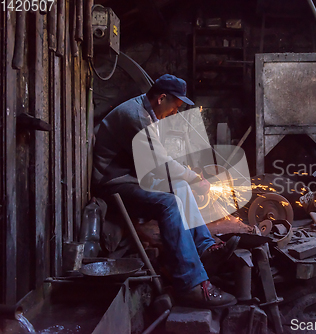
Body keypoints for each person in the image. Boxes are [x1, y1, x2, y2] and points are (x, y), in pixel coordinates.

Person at [92, 74, 239, 309]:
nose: (174, 113)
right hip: (115, 183)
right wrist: (193, 177)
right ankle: (191, 285)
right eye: (175, 107)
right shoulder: (136, 117)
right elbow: (160, 163)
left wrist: (186, 177)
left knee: (179, 186)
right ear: (161, 98)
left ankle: (204, 248)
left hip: (133, 177)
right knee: (169, 203)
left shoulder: (146, 112)